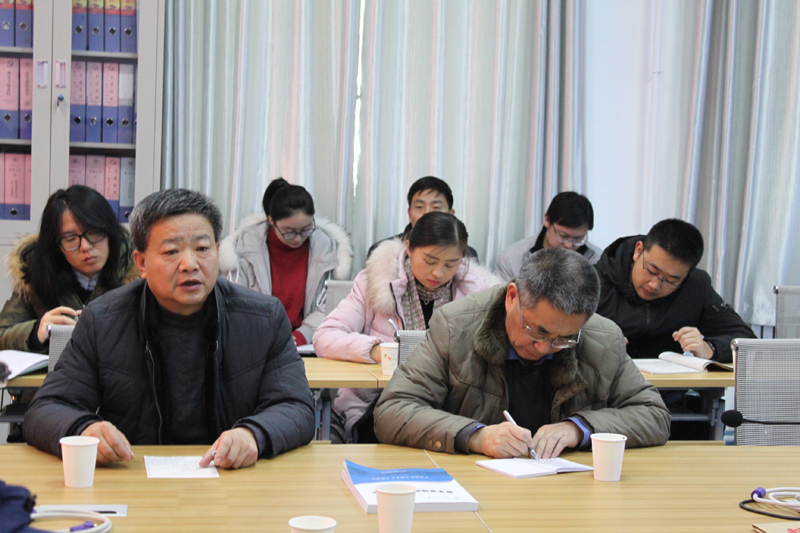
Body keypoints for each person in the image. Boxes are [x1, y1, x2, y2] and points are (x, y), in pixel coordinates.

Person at [24, 189, 315, 469]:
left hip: (231, 477)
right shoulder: (102, 321)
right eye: (171, 251)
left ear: (217, 251)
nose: (189, 264)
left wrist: (253, 434)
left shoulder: (263, 318)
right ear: (141, 263)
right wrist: (84, 428)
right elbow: (46, 409)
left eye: (202, 249)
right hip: (135, 475)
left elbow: (297, 407)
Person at [374, 248, 670, 458]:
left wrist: (580, 428)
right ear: (512, 296)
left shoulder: (602, 339)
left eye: (563, 339)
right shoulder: (455, 326)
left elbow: (654, 415)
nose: (544, 347)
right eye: (537, 331)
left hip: (569, 492)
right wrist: (475, 435)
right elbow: (392, 410)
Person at [314, 211, 500, 443]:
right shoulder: (376, 283)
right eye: (430, 261)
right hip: (377, 403)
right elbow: (325, 336)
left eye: (451, 264)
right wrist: (377, 350)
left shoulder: (478, 294)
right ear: (409, 248)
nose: (438, 273)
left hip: (449, 408)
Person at [594, 218, 755, 363]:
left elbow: (747, 341)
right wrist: (590, 343)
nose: (654, 285)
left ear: (686, 275)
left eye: (671, 281)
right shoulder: (592, 282)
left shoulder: (696, 287)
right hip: (605, 383)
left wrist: (710, 349)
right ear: (638, 251)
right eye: (651, 270)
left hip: (669, 385)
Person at [0, 185, 139, 353]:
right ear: (56, 245)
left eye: (94, 232)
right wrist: (36, 332)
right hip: (59, 369)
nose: (85, 246)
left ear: (109, 231)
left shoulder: (139, 272)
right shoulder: (37, 272)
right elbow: (3, 335)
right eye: (71, 239)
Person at [219, 178, 352, 346]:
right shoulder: (245, 248)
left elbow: (332, 303)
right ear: (271, 221)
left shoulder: (327, 248)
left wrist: (302, 335)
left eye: (306, 230)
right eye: (289, 232)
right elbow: (234, 303)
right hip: (257, 341)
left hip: (309, 343)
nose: (298, 239)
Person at [495, 191, 601, 281]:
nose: (569, 245)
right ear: (547, 220)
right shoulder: (511, 260)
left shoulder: (598, 261)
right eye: (563, 236)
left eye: (578, 239)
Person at [367, 176, 478, 260]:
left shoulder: (467, 255)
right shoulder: (383, 253)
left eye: (436, 207)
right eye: (419, 207)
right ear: (409, 214)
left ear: (451, 215)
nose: (427, 213)